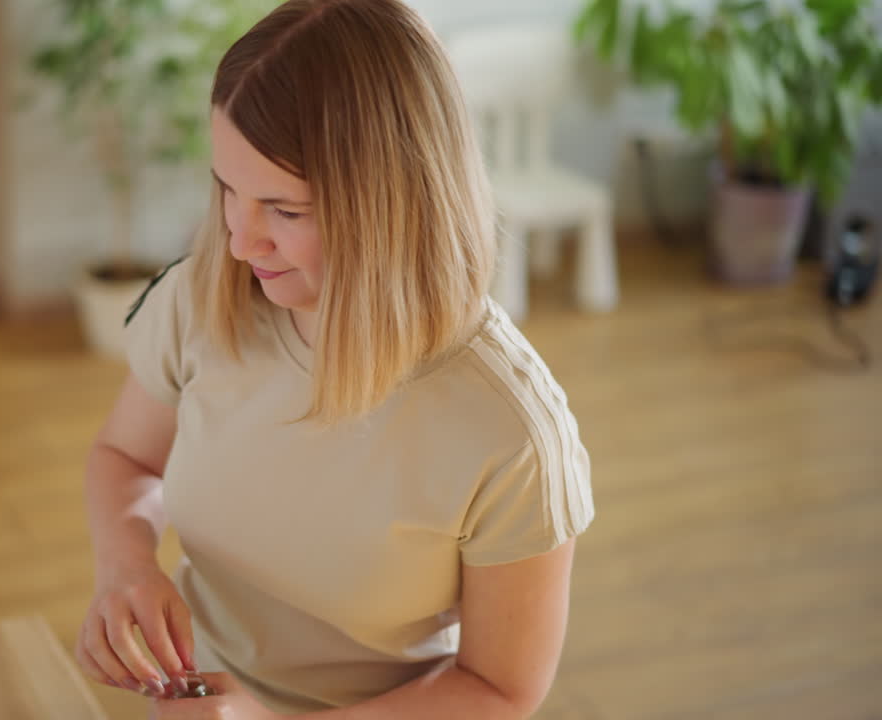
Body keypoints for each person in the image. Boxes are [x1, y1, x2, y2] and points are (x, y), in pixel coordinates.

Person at [74, 0, 595, 717]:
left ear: (392, 206)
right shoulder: (205, 298)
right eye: (229, 190)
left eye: (285, 211)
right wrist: (126, 565)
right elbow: (125, 458)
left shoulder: (516, 437)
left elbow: (501, 689)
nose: (239, 242)